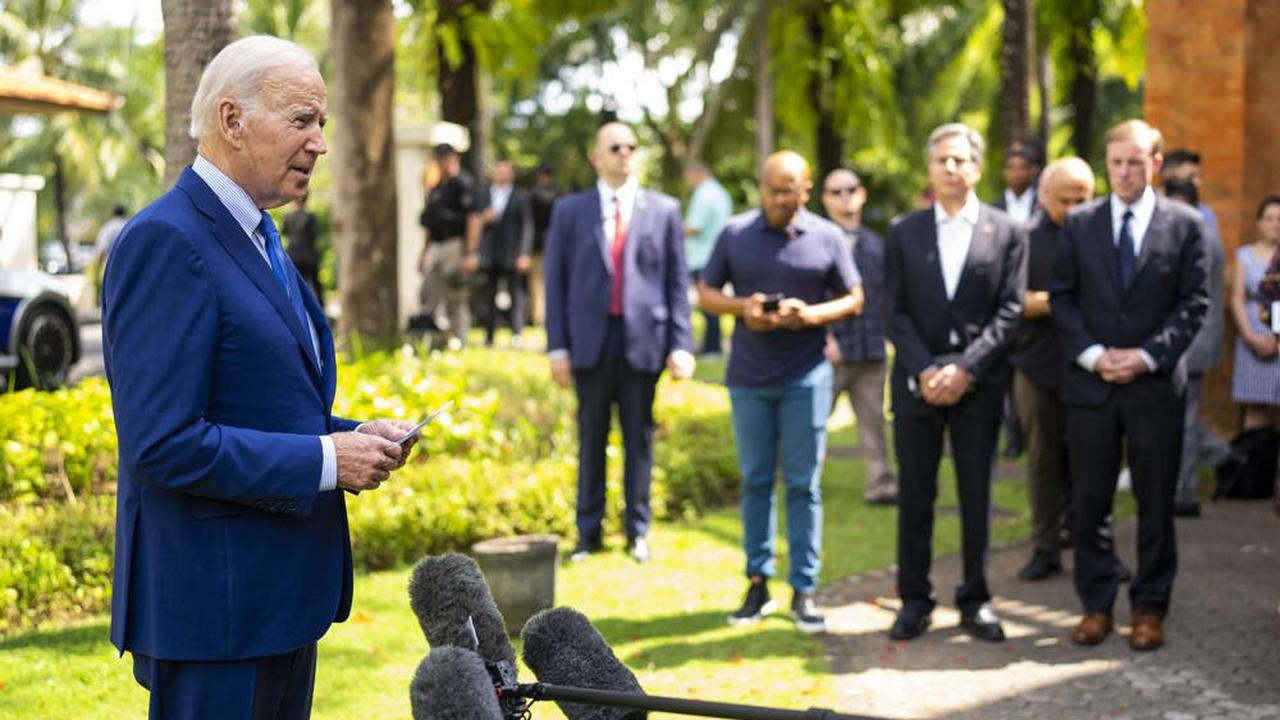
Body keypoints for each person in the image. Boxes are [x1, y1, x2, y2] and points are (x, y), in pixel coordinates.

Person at [101, 36, 418, 718]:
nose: (319, 143)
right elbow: (160, 443)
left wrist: (353, 435)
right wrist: (326, 460)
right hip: (215, 617)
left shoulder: (261, 233)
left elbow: (259, 405)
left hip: (278, 605)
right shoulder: (167, 240)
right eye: (302, 120)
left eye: (321, 123)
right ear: (232, 120)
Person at [1052, 119, 1209, 652]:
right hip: (1091, 386)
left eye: (1135, 162)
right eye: (1116, 162)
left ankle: (1149, 607)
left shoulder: (1185, 225)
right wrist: (1095, 356)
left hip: (1154, 386)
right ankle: (1096, 606)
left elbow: (1194, 304)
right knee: (1090, 500)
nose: (1124, 172)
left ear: (1156, 165)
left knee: (1155, 502)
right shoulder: (1079, 223)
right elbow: (1062, 298)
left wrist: (1145, 357)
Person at [698, 151, 864, 635]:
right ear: (761, 187)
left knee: (802, 483)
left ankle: (804, 588)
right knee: (755, 480)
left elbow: (855, 297)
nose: (778, 199)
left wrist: (810, 315)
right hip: (749, 377)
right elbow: (706, 291)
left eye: (788, 190)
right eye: (771, 190)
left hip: (805, 377)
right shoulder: (735, 233)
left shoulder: (827, 236)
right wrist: (743, 308)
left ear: (806, 189)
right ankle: (758, 582)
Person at [886, 123, 1026, 644]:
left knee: (976, 494)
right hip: (916, 384)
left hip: (979, 384)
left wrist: (967, 368)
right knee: (915, 495)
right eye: (941, 159)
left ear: (977, 167)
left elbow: (1010, 311)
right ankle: (914, 600)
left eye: (960, 159)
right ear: (929, 168)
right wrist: (925, 369)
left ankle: (976, 598)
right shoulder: (903, 232)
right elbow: (893, 311)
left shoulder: (1006, 232)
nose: (950, 167)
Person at [544, 122, 695, 565]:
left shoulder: (664, 210)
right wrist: (557, 348)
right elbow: (555, 283)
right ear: (597, 157)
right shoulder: (570, 211)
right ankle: (587, 535)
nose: (624, 152)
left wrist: (681, 344)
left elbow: (677, 282)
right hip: (590, 343)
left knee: (639, 441)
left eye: (631, 146)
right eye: (615, 147)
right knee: (591, 440)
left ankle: (638, 532)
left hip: (643, 343)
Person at [1011, 158, 1094, 582]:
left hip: (1091, 365)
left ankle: (1094, 547)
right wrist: (1062, 302)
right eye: (1066, 201)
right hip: (1037, 364)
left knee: (1092, 460)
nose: (1075, 209)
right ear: (1044, 196)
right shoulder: (1024, 238)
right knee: (1043, 460)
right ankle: (1045, 546)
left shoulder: (1101, 235)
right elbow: (1013, 301)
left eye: (1083, 200)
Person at [819, 168, 897, 505]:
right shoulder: (817, 239)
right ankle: (801, 483)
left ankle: (880, 485)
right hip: (831, 350)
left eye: (850, 189)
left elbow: (886, 296)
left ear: (862, 194)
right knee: (812, 423)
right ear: (825, 199)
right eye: (836, 191)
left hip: (871, 349)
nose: (844, 197)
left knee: (874, 423)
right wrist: (825, 338)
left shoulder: (876, 244)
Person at [1163, 177, 1228, 517]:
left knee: (1184, 421)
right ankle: (1223, 457)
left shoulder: (1193, 234)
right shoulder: (1208, 233)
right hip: (1202, 338)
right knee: (1184, 417)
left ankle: (1184, 492)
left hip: (1192, 342)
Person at [419, 143, 482, 348]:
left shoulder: (464, 184)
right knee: (429, 293)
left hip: (456, 244)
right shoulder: (436, 188)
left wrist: (470, 252)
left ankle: (460, 340)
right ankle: (437, 340)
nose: (442, 162)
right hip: (436, 245)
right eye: (439, 159)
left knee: (456, 294)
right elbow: (429, 225)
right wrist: (424, 252)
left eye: (445, 158)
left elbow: (474, 219)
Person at [1229, 197, 1280, 435]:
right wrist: (1251, 337)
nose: (1275, 224)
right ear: (1259, 223)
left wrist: (1276, 340)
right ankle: (1253, 456)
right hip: (1253, 338)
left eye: (1279, 219)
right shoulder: (1245, 255)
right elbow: (1237, 299)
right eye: (1269, 218)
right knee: (1255, 406)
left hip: (1277, 338)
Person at [477, 158, 534, 347]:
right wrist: (484, 219)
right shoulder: (484, 194)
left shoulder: (520, 196)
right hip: (490, 252)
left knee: (515, 294)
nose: (502, 174)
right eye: (499, 171)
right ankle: (489, 335)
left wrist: (524, 253)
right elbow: (474, 223)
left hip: (512, 253)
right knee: (489, 295)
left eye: (506, 171)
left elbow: (527, 227)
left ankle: (516, 333)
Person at [683, 161, 734, 355]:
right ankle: (712, 345)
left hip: (701, 257)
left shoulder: (703, 194)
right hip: (718, 255)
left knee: (706, 304)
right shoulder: (721, 193)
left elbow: (694, 227)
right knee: (712, 302)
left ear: (696, 174)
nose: (688, 183)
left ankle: (711, 348)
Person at [1161, 149, 1221, 237]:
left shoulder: (1205, 214)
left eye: (1199, 176)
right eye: (1191, 176)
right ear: (1168, 175)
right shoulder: (1152, 212)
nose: (1197, 183)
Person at [528, 163, 560, 327]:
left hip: (545, 243)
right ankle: (539, 317)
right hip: (540, 244)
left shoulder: (534, 194)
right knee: (538, 283)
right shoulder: (556, 195)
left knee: (542, 282)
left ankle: (542, 316)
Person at [992, 139, 1045, 225]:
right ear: (1004, 171)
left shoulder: (1043, 206)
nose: (1016, 173)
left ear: (1032, 170)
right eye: (1011, 167)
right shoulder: (994, 209)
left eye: (1022, 167)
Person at [283, 195, 323, 305]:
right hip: (309, 256)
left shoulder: (288, 217)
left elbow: (285, 232)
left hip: (293, 255)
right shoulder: (311, 217)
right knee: (315, 285)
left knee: (295, 285)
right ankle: (319, 309)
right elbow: (315, 235)